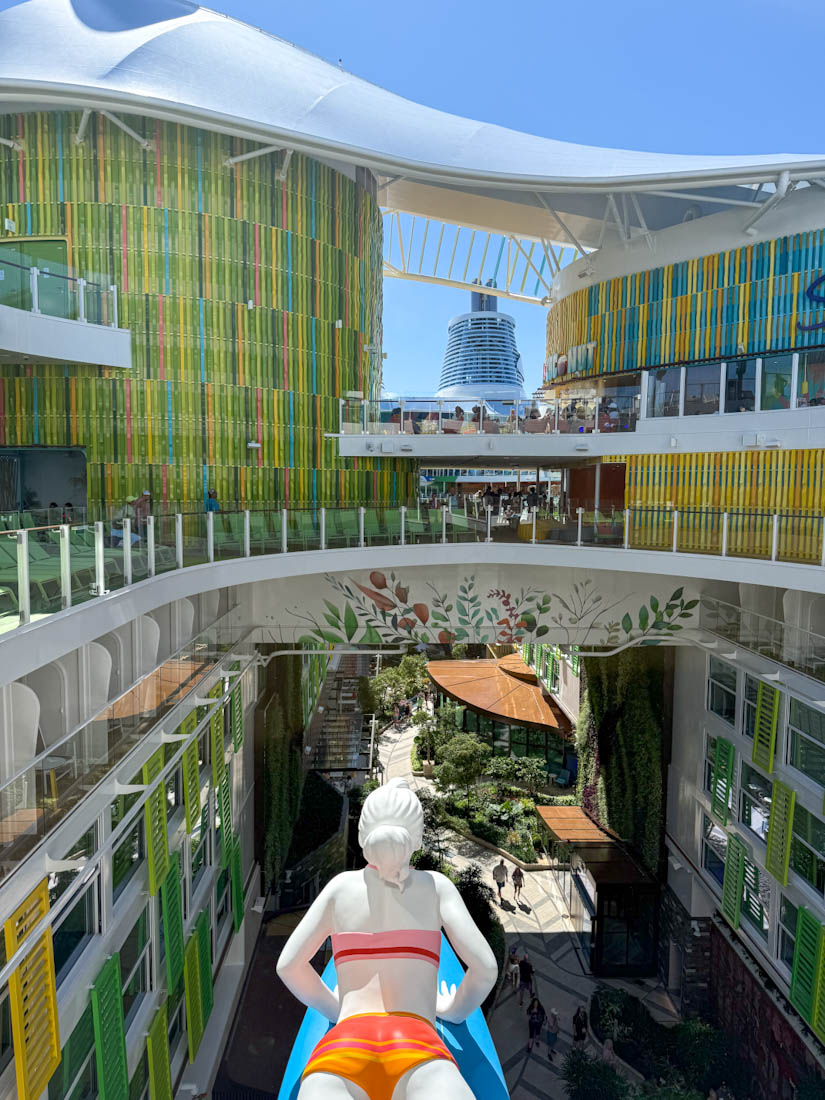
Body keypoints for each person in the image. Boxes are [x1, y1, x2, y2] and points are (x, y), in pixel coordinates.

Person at [276, 779, 497, 1100]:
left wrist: (337, 1010)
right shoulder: (436, 887)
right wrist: (453, 1011)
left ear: (363, 836)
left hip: (343, 1048)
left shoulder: (340, 888)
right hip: (418, 1047)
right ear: (417, 838)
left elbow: (288, 966)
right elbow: (486, 969)